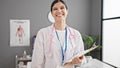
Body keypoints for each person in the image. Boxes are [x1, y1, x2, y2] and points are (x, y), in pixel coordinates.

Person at [31, 0, 86, 68]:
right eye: (55, 9)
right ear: (51, 13)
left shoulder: (76, 34)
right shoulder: (42, 34)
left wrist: (79, 61)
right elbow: (37, 63)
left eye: (62, 8)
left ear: (67, 11)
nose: (59, 11)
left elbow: (82, 59)